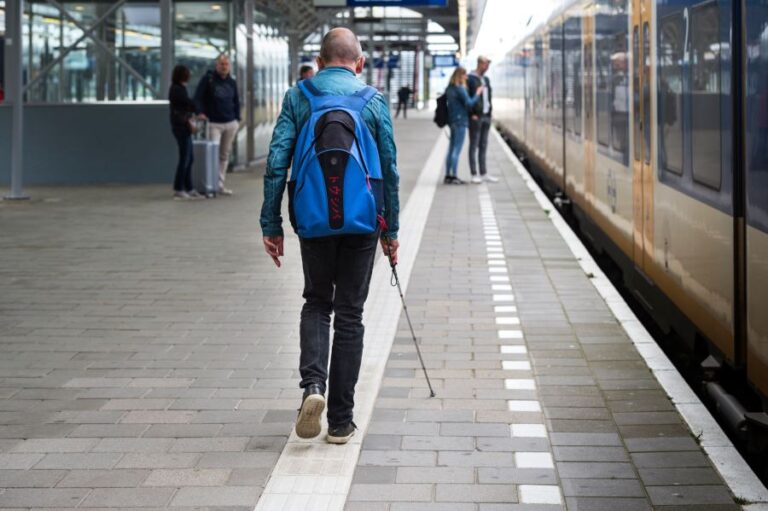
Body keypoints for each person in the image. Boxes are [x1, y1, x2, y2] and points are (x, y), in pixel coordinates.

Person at [260, 27, 400, 445]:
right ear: (359, 63)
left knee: (317, 302)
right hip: (361, 221)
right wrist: (390, 230)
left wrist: (272, 224)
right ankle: (341, 421)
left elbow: (276, 161)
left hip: (313, 217)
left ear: (319, 63)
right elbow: (389, 168)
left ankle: (312, 388)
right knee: (351, 314)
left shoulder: (298, 96)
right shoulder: (372, 100)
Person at [193, 54, 240, 196]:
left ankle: (219, 184)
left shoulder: (232, 82)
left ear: (229, 66)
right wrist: (200, 112)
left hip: (230, 122)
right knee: (212, 154)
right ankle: (210, 184)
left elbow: (236, 101)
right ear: (216, 65)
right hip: (214, 123)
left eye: (226, 64)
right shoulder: (208, 80)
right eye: (222, 64)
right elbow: (197, 98)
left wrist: (237, 118)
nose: (224, 67)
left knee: (224, 155)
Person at [168, 65, 204, 200]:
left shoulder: (179, 88)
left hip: (183, 127)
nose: (189, 75)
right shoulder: (177, 89)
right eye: (187, 73)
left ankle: (189, 188)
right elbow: (188, 103)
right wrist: (196, 108)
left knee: (189, 158)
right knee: (185, 158)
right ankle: (179, 188)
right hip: (181, 127)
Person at [444, 66, 483, 184]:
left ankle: (448, 175)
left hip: (452, 120)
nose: (466, 77)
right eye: (465, 75)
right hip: (461, 121)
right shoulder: (460, 88)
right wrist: (477, 94)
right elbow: (469, 103)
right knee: (457, 149)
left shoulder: (449, 88)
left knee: (451, 149)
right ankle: (454, 176)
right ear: (460, 75)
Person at [467, 56, 498, 183]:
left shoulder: (486, 79)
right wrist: (471, 114)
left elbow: (488, 98)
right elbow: (467, 97)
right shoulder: (470, 79)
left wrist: (490, 114)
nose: (487, 68)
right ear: (479, 64)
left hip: (486, 116)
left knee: (483, 145)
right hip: (476, 117)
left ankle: (483, 173)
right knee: (474, 145)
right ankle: (474, 174)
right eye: (486, 65)